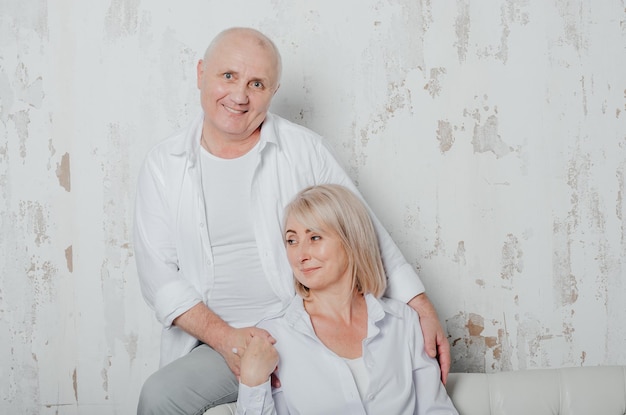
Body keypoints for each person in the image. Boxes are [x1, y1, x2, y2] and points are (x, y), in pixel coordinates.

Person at [133, 26, 450, 415]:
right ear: (201, 73)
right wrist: (228, 340)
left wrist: (421, 307)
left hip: (302, 331)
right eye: (228, 76)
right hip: (222, 341)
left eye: (257, 83)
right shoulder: (163, 165)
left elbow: (361, 228)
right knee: (161, 395)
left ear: (273, 91)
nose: (239, 95)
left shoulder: (304, 149)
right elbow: (159, 279)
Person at [235, 184, 458, 414]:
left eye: (314, 237)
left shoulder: (404, 323)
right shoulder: (272, 337)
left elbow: (437, 410)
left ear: (351, 241)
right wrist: (252, 381)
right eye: (292, 241)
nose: (301, 255)